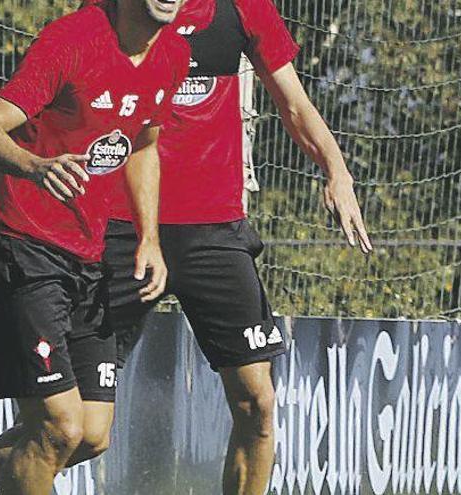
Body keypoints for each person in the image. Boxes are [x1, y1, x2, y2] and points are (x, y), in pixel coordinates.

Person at [0, 0, 189, 493]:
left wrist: (150, 237)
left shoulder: (174, 54)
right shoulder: (73, 40)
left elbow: (142, 143)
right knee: (58, 426)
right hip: (18, 246)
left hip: (87, 258)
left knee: (92, 434)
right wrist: (36, 166)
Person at [103, 0, 373, 493]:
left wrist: (337, 172)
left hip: (215, 231)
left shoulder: (244, 8)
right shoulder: (117, 8)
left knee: (258, 404)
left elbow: (293, 103)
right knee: (76, 429)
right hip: (127, 227)